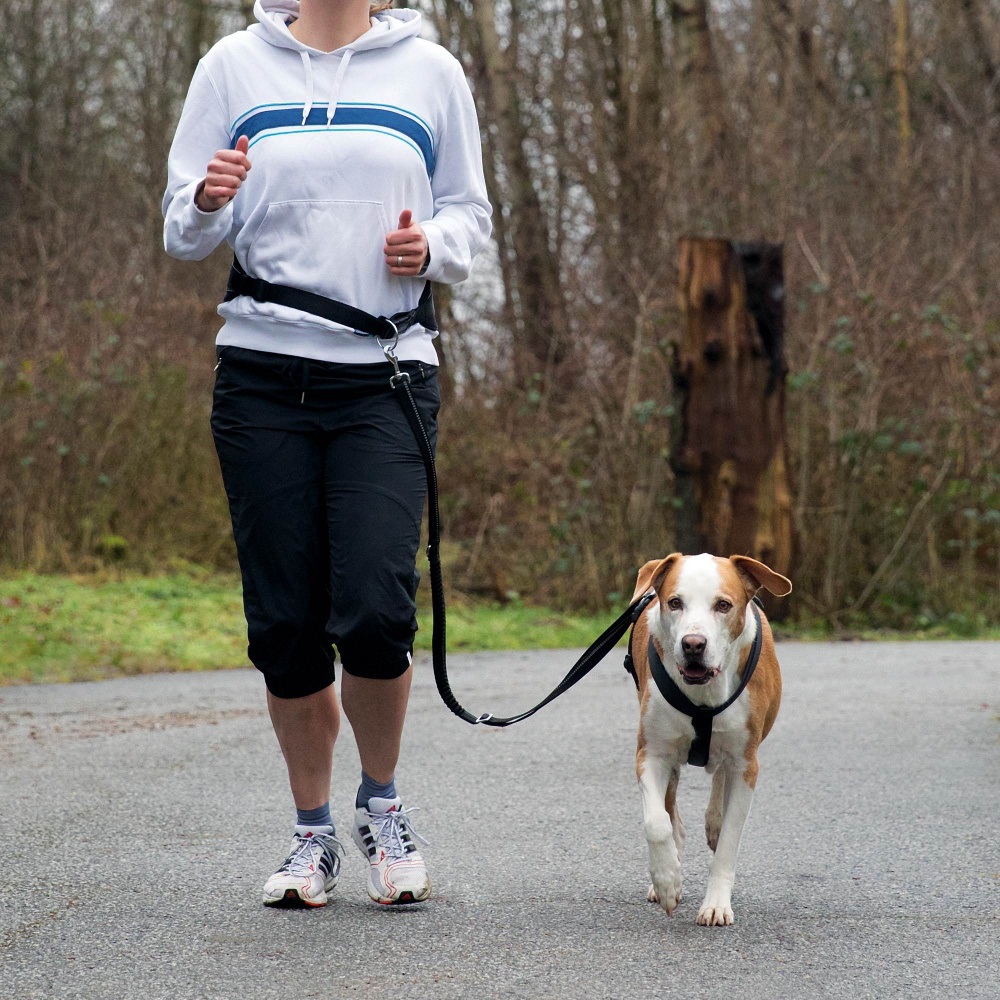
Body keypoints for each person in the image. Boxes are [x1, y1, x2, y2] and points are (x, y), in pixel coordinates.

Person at [162, 0, 491, 907]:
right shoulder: (233, 64)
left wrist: (431, 244)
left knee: (377, 612)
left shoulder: (431, 71)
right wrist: (207, 198)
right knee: (284, 625)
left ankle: (381, 806)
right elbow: (180, 228)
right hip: (262, 376)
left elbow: (471, 218)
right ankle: (312, 837)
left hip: (383, 377)